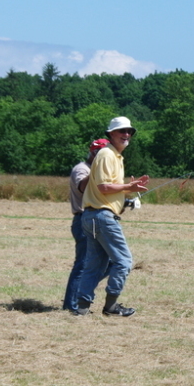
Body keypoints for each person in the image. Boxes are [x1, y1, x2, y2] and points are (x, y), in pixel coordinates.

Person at [73, 117, 149, 316]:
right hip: (101, 216)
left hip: (93, 216)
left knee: (94, 266)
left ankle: (81, 308)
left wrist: (127, 194)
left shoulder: (115, 156)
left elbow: (107, 190)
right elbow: (104, 187)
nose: (126, 135)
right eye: (121, 131)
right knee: (124, 261)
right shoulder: (107, 154)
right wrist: (127, 187)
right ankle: (111, 307)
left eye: (129, 132)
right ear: (111, 134)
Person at [62, 138, 109, 312]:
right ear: (93, 152)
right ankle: (71, 305)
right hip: (83, 220)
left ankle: (81, 290)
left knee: (111, 261)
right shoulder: (81, 169)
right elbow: (82, 186)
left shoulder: (102, 171)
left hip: (98, 219)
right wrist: (97, 169)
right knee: (82, 264)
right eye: (100, 153)